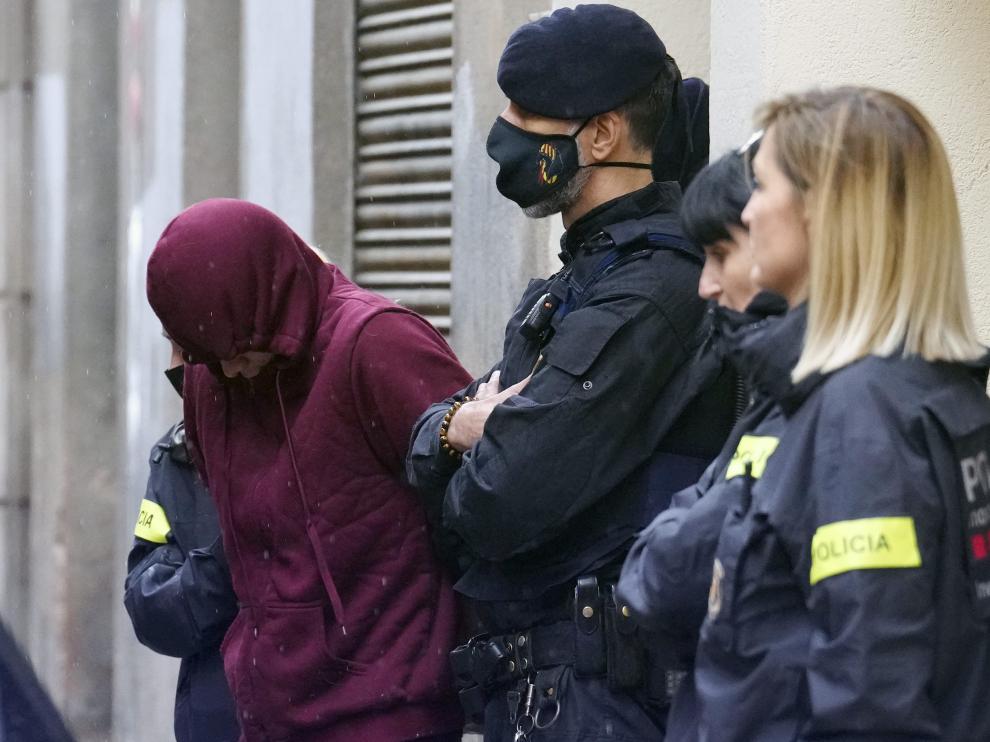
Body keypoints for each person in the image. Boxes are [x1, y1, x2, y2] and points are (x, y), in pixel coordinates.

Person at [406, 6, 735, 740]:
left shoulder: (650, 292)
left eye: (528, 115)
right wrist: (457, 427)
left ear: (602, 135)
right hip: (546, 691)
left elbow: (497, 499)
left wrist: (466, 444)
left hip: (603, 696)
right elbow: (433, 443)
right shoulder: (574, 284)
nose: (505, 132)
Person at [692, 86, 990, 740]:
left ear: (822, 211)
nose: (748, 209)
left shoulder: (862, 413)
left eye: (761, 186)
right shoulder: (932, 387)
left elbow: (869, 694)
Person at [145, 198, 472, 742]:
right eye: (209, 355)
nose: (230, 369)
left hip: (390, 712)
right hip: (266, 716)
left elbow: (482, 504)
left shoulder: (377, 343)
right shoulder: (210, 379)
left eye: (237, 347)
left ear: (269, 296)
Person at [616, 149, 791, 741]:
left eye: (720, 254)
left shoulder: (839, 409)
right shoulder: (778, 396)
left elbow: (666, 575)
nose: (706, 285)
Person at [123, 335, 240, 742]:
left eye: (186, 348)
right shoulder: (176, 456)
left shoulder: (312, 446)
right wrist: (228, 560)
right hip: (215, 723)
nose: (175, 366)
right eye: (170, 346)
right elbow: (147, 602)